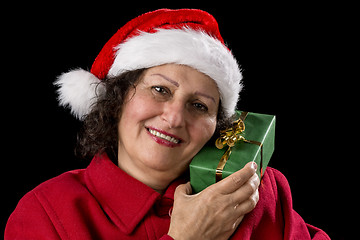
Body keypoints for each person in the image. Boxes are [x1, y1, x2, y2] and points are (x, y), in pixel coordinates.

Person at [5, 9, 330, 240]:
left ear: (217, 126)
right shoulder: (46, 213)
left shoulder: (253, 191)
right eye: (160, 90)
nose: (175, 117)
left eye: (199, 106)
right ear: (116, 100)